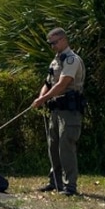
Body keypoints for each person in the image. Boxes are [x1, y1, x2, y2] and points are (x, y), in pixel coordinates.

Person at [31, 27, 86, 196]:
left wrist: (43, 99)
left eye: (54, 43)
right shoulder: (55, 61)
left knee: (66, 146)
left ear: (63, 40)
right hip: (55, 109)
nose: (52, 46)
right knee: (53, 145)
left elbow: (62, 84)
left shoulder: (71, 60)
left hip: (69, 111)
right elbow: (48, 82)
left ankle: (70, 186)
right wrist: (41, 97)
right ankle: (55, 182)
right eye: (50, 44)